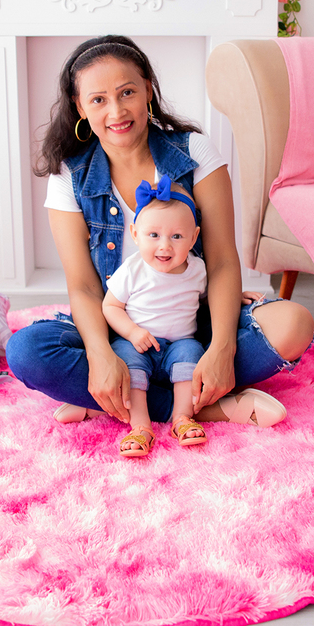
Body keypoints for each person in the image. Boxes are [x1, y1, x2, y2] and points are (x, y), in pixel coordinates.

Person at [4, 34, 314, 436]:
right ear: (80, 107)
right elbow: (82, 286)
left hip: (193, 325)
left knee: (295, 323)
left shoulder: (193, 152)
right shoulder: (70, 176)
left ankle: (128, 406)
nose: (116, 111)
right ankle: (204, 407)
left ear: (148, 89)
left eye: (127, 92)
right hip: (120, 329)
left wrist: (222, 347)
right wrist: (99, 356)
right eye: (98, 100)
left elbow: (221, 260)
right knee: (26, 352)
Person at [103, 177, 229, 456]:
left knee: (193, 354)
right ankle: (140, 425)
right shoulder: (132, 269)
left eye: (176, 236)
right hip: (138, 343)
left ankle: (182, 418)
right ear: (135, 234)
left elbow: (212, 297)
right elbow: (110, 307)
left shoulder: (197, 270)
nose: (165, 246)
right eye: (153, 236)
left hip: (179, 344)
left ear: (194, 237)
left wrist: (237, 294)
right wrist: (133, 332)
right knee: (126, 361)